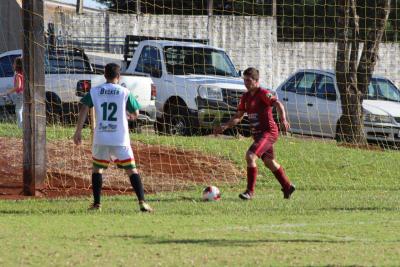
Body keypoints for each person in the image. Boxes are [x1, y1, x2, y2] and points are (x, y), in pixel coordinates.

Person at [73, 63, 153, 212]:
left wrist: (78, 131)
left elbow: (84, 107)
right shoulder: (124, 92)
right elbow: (135, 112)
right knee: (131, 170)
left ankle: (97, 204)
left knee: (97, 169)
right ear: (119, 76)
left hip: (101, 137)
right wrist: (131, 116)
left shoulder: (95, 91)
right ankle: (142, 202)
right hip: (120, 138)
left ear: (105, 75)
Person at [213, 67, 295, 200]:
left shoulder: (263, 93)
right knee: (269, 162)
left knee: (250, 156)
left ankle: (249, 192)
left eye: (248, 80)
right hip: (258, 134)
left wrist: (283, 119)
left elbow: (278, 104)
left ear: (256, 81)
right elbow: (239, 116)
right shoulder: (245, 97)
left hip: (268, 132)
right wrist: (225, 126)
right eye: (244, 80)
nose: (246, 83)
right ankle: (287, 186)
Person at [0, 57, 24, 128]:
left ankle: (20, 127)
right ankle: (23, 125)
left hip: (20, 94)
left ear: (17, 65)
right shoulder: (23, 74)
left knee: (18, 110)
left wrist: (7, 93)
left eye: (14, 63)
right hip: (24, 94)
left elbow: (18, 86)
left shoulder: (18, 75)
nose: (13, 65)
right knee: (22, 109)